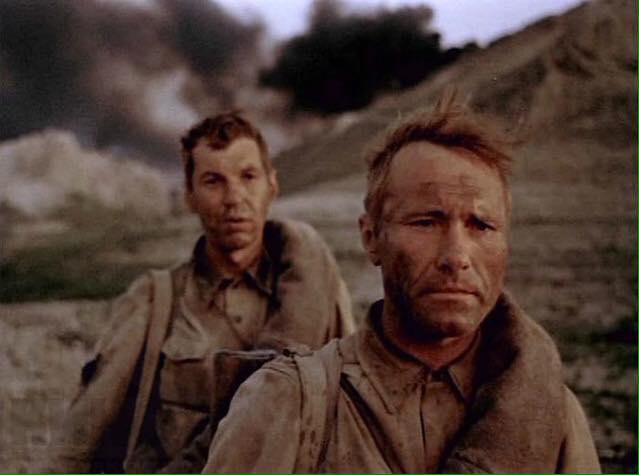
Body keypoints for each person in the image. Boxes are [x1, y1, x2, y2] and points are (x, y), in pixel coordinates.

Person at [202, 97, 602, 473]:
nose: (456, 256)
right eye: (426, 222)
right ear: (371, 238)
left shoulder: (551, 416)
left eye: (481, 225)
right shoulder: (286, 401)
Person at [44, 112, 354, 473]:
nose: (234, 197)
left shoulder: (316, 288)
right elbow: (82, 431)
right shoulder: (156, 299)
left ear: (272, 185)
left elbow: (351, 410)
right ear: (190, 197)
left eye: (248, 177)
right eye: (213, 181)